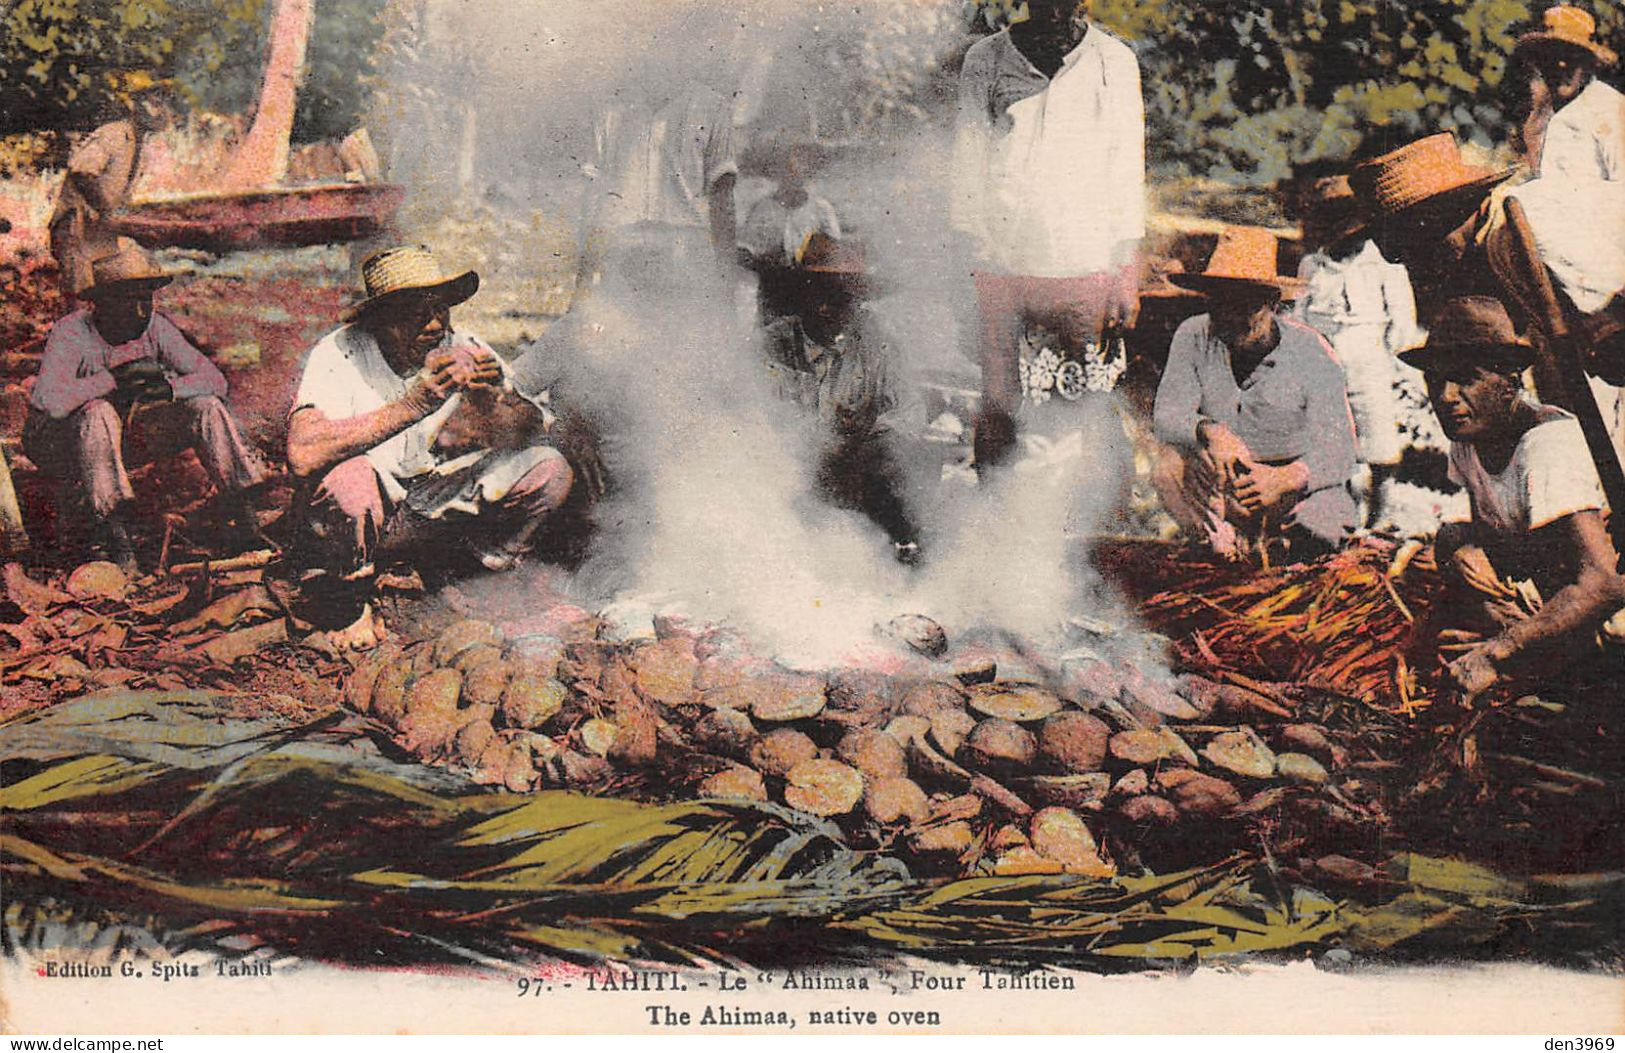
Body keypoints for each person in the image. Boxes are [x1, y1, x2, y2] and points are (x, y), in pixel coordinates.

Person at [285, 246, 573, 647]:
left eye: (441, 309)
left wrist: (494, 399)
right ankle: (350, 600)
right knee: (349, 479)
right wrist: (417, 403)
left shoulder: (463, 344)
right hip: (367, 514)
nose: (435, 324)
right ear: (379, 319)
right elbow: (303, 453)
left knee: (549, 468)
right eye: (415, 313)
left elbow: (532, 428)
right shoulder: (340, 352)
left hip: (433, 505)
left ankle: (479, 574)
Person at [1398, 296, 1625, 703]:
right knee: (1455, 543)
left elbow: (1606, 583)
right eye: (1435, 380)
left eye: (1466, 377)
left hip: (1604, 621)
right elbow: (1495, 552)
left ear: (1509, 381)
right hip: (1549, 602)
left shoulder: (1545, 447)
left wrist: (1497, 654)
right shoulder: (1468, 439)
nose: (1446, 396)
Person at [950, 0, 1145, 470]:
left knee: (1084, 405)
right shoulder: (987, 59)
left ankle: (1090, 528)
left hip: (1085, 264)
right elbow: (967, 166)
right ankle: (993, 521)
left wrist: (1126, 272)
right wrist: (968, 265)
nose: (1055, 10)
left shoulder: (1113, 62)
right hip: (1003, 263)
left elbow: (1127, 170)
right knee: (1000, 404)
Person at [23, 241, 266, 572]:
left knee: (206, 407)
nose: (139, 311)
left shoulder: (154, 326)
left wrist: (167, 389)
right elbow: (50, 402)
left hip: (121, 437)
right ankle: (118, 541)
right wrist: (112, 380)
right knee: (98, 413)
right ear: (101, 304)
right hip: (60, 443)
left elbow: (215, 380)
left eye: (145, 300)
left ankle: (246, 520)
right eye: (127, 302)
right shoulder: (72, 332)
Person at [1152, 227, 1359, 560]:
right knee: (1168, 466)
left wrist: (1285, 479)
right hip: (1225, 488)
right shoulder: (1193, 335)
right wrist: (1209, 430)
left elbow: (1341, 450)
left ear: (1273, 302)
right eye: (1219, 303)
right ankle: (1220, 541)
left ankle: (1283, 548)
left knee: (1322, 525)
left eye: (1245, 305)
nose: (1229, 316)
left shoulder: (1311, 351)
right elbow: (1166, 416)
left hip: (1292, 492)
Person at [1504, 5, 1625, 463]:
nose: (1558, 68)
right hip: (1555, 275)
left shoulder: (1610, 111)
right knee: (1564, 393)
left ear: (1589, 62)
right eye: (1549, 57)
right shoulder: (1541, 118)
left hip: (1605, 273)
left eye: (1568, 57)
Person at [758, 235, 917, 552]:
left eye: (841, 296)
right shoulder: (772, 345)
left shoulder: (880, 342)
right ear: (801, 294)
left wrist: (868, 437)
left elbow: (910, 413)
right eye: (817, 292)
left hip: (857, 480)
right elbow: (753, 424)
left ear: (858, 299)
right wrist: (817, 441)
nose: (826, 307)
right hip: (787, 483)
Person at [1291, 171, 1429, 526]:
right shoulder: (1312, 267)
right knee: (1336, 446)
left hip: (1369, 362)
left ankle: (1380, 519)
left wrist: (1396, 363)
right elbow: (1298, 319)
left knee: (1380, 443)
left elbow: (1403, 320)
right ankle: (1346, 516)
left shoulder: (1383, 265)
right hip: (1324, 366)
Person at [48, 79, 167, 303]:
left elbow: (119, 194)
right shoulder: (113, 134)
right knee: (80, 293)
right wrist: (106, 211)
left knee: (109, 296)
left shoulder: (141, 146)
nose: (160, 111)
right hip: (77, 224)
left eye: (163, 104)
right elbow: (81, 172)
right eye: (154, 103)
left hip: (101, 229)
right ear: (136, 104)